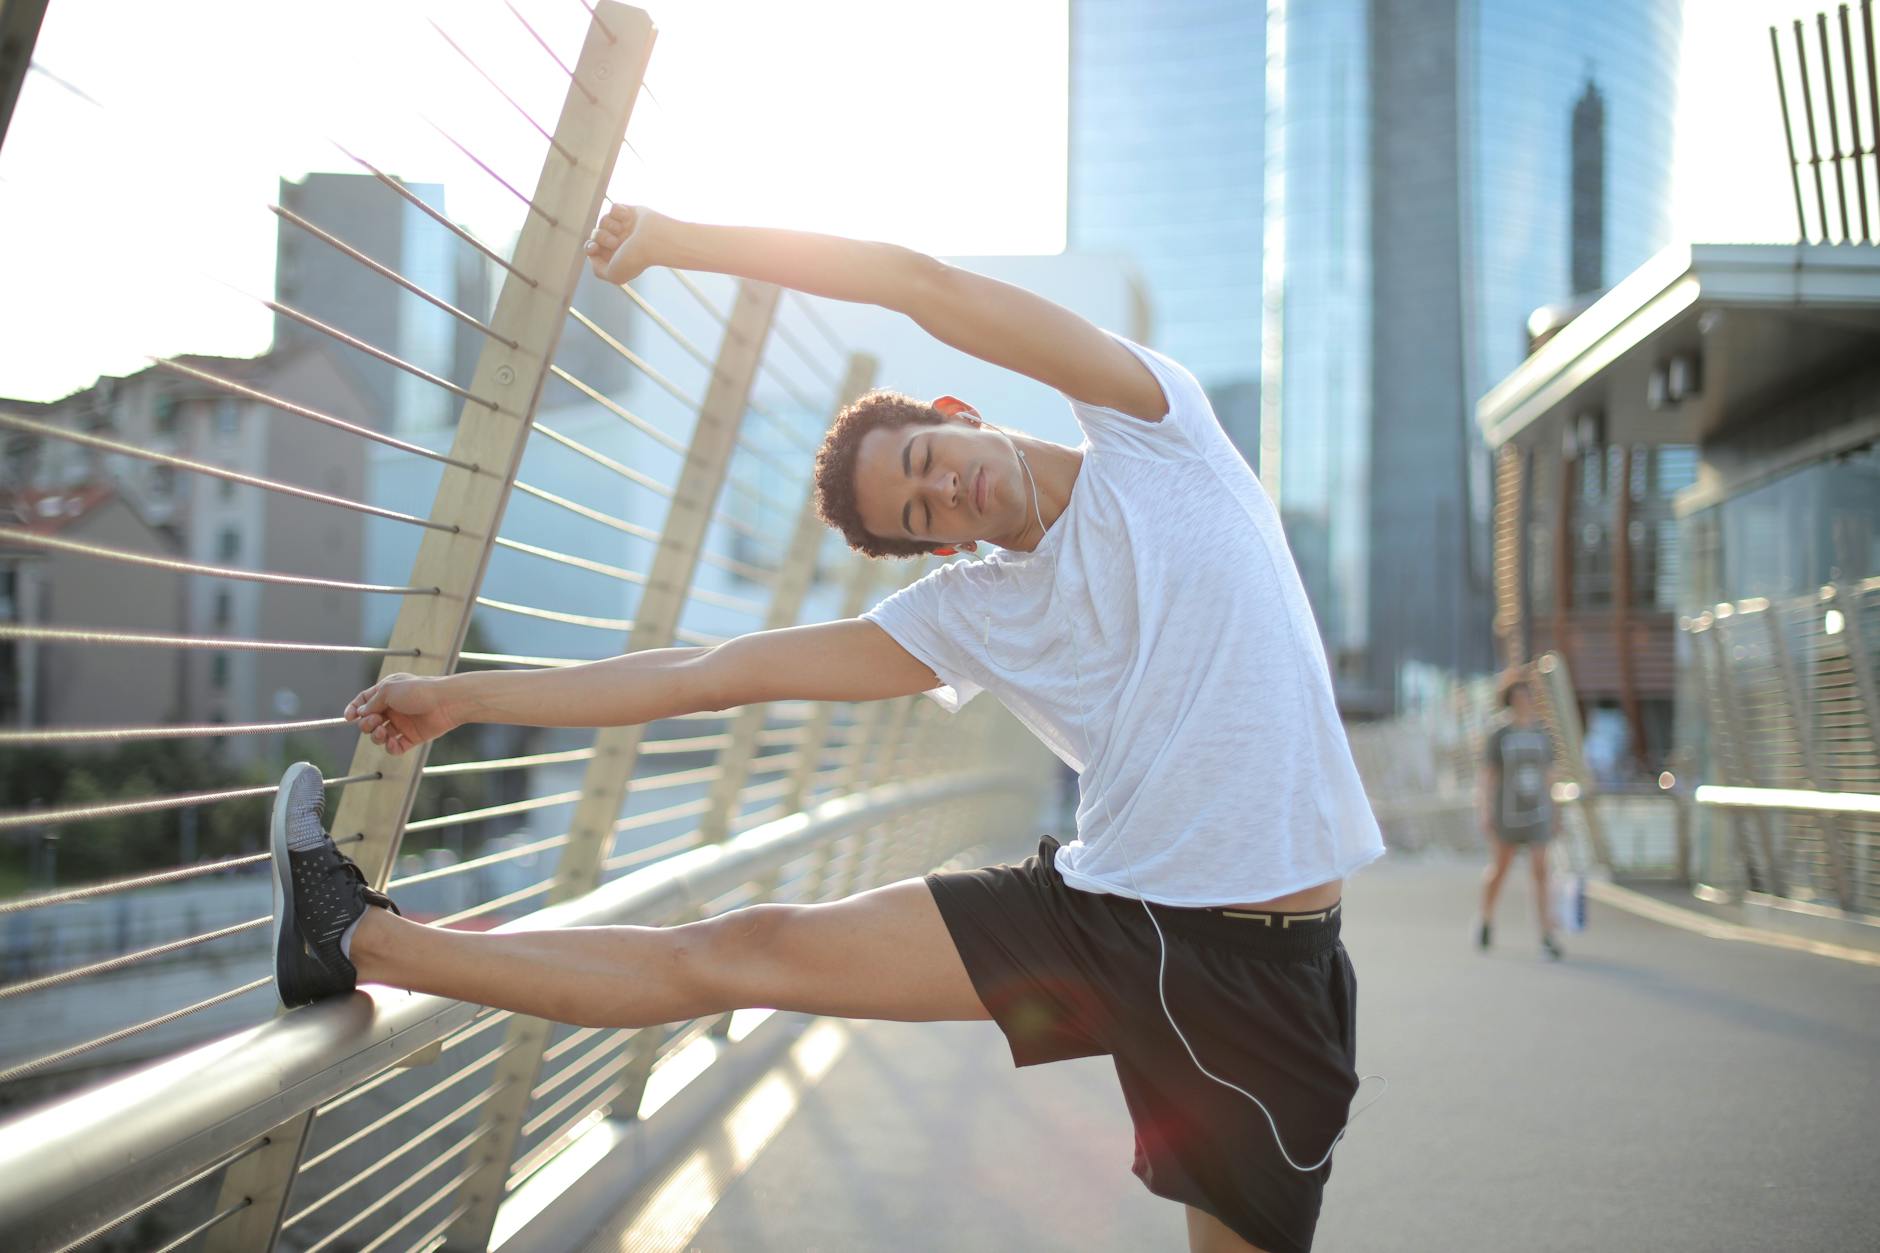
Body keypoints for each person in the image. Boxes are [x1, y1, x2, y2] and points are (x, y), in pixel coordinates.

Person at [270, 205, 1386, 1253]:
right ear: (938, 551)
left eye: (923, 464)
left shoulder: (1159, 432)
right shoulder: (969, 610)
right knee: (739, 949)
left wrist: (681, 241)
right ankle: (358, 937)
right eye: (920, 516)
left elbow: (916, 281)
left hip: (1262, 964)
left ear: (955, 415)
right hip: (1104, 912)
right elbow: (710, 672)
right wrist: (467, 696)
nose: (944, 491)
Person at [1475, 672, 1564, 960]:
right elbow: (1488, 777)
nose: (1523, 702)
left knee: (1540, 869)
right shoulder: (1499, 734)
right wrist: (1486, 811)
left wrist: (1556, 810)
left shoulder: (1542, 734)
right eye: (1517, 698)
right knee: (1500, 867)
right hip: (1508, 811)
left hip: (1536, 809)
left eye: (1527, 697)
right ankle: (1486, 918)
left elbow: (1551, 776)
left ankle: (1546, 933)